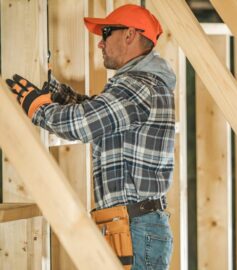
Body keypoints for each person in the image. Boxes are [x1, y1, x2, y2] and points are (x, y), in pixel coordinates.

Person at [6, 4, 175, 270]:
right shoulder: (143, 86)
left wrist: (39, 110)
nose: (100, 43)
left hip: (133, 227)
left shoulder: (138, 86)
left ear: (130, 34)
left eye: (106, 32)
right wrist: (57, 94)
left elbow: (84, 123)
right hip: (132, 225)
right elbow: (100, 113)